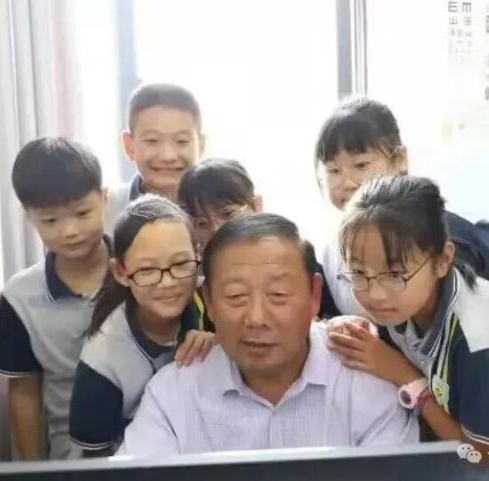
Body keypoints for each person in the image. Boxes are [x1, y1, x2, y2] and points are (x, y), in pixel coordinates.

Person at [118, 213, 419, 457]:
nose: (257, 319)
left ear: (314, 295)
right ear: (208, 301)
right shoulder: (173, 395)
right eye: (236, 296)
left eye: (278, 294)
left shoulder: (364, 382)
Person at [327, 175, 489, 476]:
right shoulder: (406, 300)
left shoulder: (483, 343)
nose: (374, 294)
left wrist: (407, 378)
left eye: (395, 274)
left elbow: (482, 460)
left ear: (443, 260)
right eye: (358, 272)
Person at [314, 97, 489, 316]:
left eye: (361, 165)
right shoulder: (333, 252)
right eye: (333, 170)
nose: (347, 182)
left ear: (400, 159)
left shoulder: (459, 232)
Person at [0, 137, 109, 459]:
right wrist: (34, 470)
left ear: (104, 200)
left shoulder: (141, 270)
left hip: (158, 454)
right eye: (50, 220)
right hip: (71, 461)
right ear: (29, 218)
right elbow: (24, 393)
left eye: (82, 213)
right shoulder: (19, 297)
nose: (69, 231)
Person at [69, 195, 214, 456]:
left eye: (181, 264)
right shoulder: (102, 362)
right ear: (121, 272)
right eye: (147, 270)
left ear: (197, 254)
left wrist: (222, 346)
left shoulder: (217, 301)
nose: (168, 282)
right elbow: (95, 463)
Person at [177, 158, 339, 319]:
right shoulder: (190, 283)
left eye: (227, 214)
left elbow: (334, 318)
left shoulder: (295, 258)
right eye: (201, 223)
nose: (215, 229)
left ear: (256, 206)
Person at [106, 82, 205, 231]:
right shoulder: (106, 210)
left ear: (201, 145)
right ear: (129, 146)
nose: (168, 156)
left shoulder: (223, 211)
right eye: (152, 141)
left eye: (181, 141)